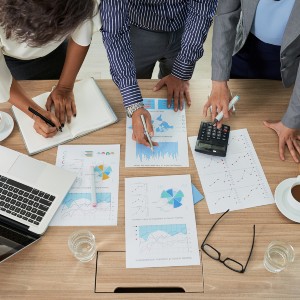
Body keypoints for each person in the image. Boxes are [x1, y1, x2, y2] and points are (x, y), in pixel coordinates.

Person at [100, 0, 217, 148]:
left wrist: (181, 71)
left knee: (174, 94)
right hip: (138, 32)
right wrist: (134, 104)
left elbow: (202, 10)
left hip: (185, 29)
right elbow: (114, 32)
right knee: (136, 88)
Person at [203, 0, 300, 162]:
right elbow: (225, 17)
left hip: (290, 63)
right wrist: (219, 82)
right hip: (246, 47)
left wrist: (292, 120)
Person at [0, 0, 100, 138]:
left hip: (56, 53)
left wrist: (65, 86)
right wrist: (35, 114)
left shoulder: (78, 5)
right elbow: (1, 80)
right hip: (12, 59)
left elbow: (83, 30)